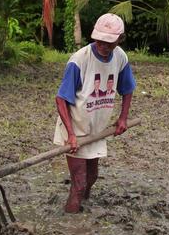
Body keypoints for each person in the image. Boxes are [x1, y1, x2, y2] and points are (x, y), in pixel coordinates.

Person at [54, 13, 135, 213]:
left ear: (119, 40)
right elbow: (61, 98)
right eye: (100, 40)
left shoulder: (120, 58)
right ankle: (71, 225)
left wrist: (123, 117)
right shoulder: (79, 60)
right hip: (75, 128)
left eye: (109, 42)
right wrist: (71, 135)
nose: (103, 45)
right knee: (80, 183)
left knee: (91, 178)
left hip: (96, 128)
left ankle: (82, 205)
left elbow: (127, 88)